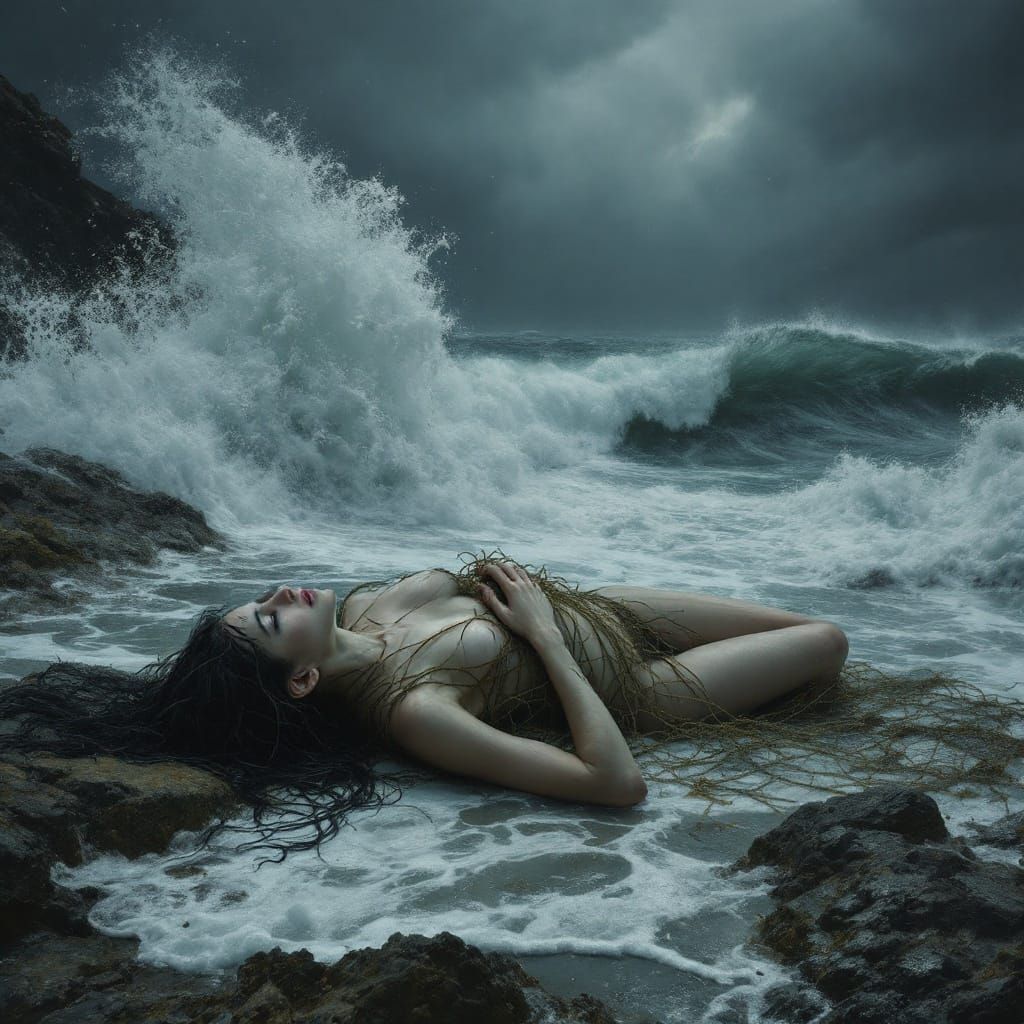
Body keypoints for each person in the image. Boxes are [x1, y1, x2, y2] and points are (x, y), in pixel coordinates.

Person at [0, 553, 848, 865]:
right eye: (269, 618)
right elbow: (614, 782)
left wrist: (561, 614)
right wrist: (547, 639)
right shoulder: (413, 713)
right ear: (299, 682)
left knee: (806, 635)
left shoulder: (367, 607)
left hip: (608, 608)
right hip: (636, 689)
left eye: (261, 599)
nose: (280, 594)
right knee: (826, 640)